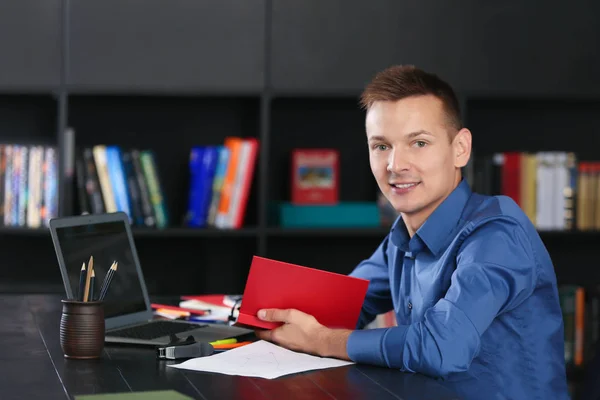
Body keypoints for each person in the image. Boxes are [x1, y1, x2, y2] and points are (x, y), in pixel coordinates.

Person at [255, 65, 569, 399]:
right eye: (381, 146)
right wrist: (257, 313)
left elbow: (440, 346)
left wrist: (321, 341)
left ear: (460, 148)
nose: (395, 164)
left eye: (418, 142)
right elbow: (339, 303)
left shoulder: (497, 233)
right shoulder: (403, 237)